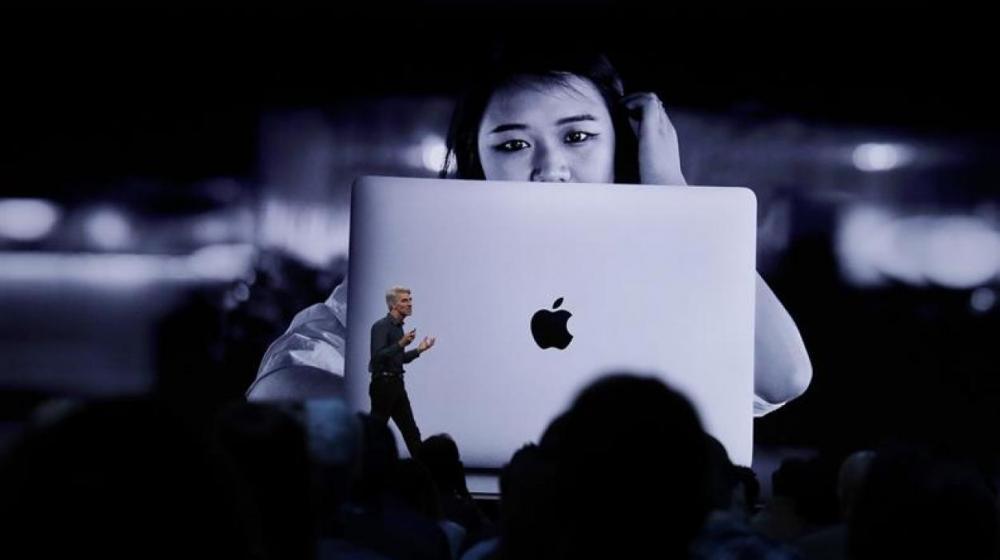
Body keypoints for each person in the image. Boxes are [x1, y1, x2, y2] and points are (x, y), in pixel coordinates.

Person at [249, 45, 811, 416]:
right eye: (514, 145)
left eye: (579, 137)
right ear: (478, 159)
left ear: (625, 143)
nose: (551, 167)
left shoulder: (671, 266)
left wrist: (675, 192)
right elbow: (281, 385)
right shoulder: (425, 268)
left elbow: (783, 376)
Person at [368, 286, 435, 457]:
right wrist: (401, 344)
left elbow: (400, 359)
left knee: (411, 431)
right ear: (392, 306)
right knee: (375, 434)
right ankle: (364, 472)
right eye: (405, 300)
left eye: (410, 299)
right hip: (383, 385)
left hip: (396, 383)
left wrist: (419, 350)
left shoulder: (399, 328)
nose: (410, 303)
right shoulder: (381, 326)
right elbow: (376, 357)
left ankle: (425, 475)